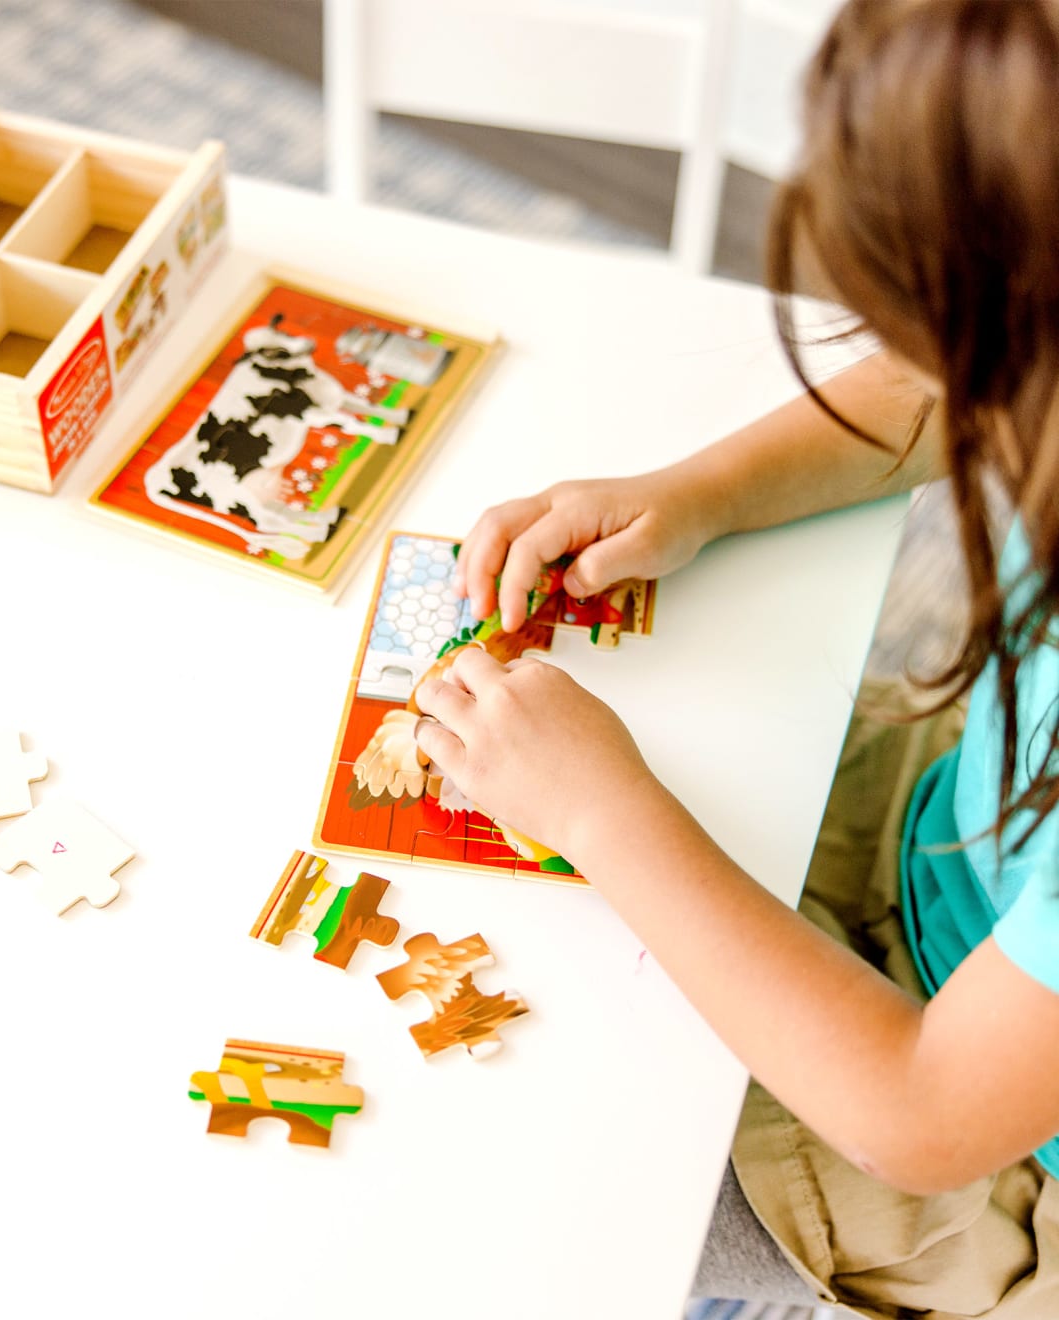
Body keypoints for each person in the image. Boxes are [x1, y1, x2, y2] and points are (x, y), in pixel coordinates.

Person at [411, 2, 1059, 1316]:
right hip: (954, 839)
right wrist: (702, 492)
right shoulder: (1013, 352)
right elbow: (935, 380)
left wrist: (602, 807)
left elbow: (923, 1113)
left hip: (981, 1156)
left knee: (510, 1154)